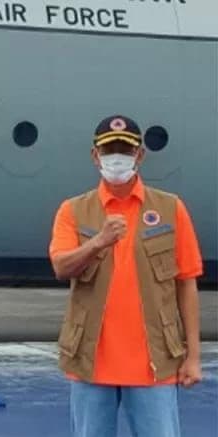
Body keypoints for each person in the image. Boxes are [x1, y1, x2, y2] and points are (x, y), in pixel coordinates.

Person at [49, 114, 203, 437]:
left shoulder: (171, 209)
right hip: (90, 363)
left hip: (155, 363)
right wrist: (98, 242)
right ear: (95, 156)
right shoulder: (72, 211)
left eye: (124, 149)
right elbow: (62, 267)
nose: (116, 158)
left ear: (140, 155)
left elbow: (186, 283)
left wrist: (193, 357)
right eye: (108, 150)